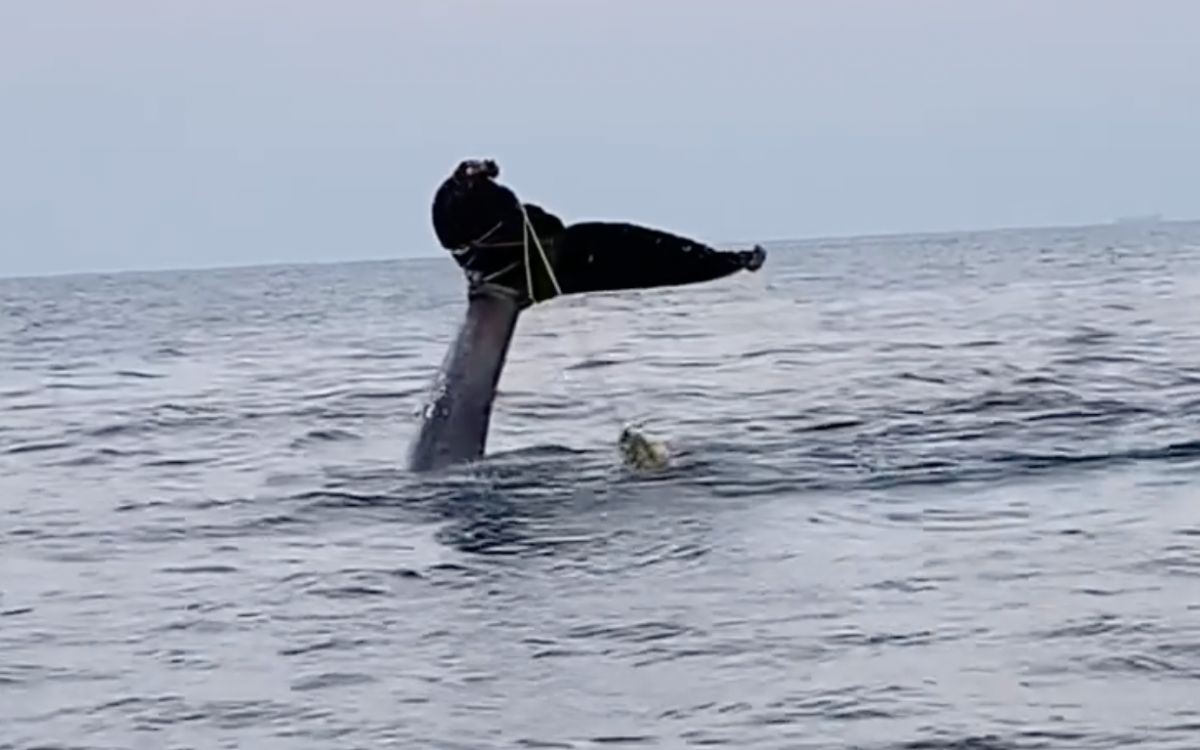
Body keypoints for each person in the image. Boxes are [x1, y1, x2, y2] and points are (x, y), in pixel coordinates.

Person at [430, 159, 766, 307]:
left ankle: (727, 261)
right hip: (540, 267)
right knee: (622, 246)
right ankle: (728, 262)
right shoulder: (459, 208)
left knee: (627, 244)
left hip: (525, 266)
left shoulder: (466, 203)